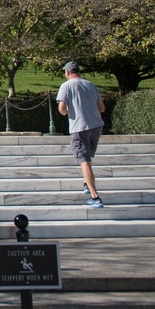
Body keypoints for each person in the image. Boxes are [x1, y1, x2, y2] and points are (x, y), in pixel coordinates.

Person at [56, 61, 106, 209]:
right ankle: (86, 183)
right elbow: (101, 108)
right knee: (88, 158)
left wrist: (67, 112)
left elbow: (62, 109)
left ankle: (95, 197)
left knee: (84, 161)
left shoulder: (66, 86)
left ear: (67, 72)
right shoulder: (91, 85)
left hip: (79, 127)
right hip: (96, 125)